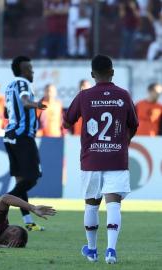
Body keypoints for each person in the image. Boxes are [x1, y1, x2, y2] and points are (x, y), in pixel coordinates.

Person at [63, 55, 139, 264]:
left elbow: (67, 122)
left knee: (91, 205)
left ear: (92, 75)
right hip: (116, 157)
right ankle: (111, 251)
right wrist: (123, 143)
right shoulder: (123, 95)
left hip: (91, 159)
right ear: (112, 72)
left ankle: (92, 250)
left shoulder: (84, 96)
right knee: (113, 204)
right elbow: (134, 124)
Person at [3, 56, 47, 232]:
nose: (32, 71)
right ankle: (0, 203)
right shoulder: (22, 83)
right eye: (29, 68)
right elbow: (25, 102)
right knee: (32, 177)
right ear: (22, 70)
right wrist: (35, 104)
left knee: (21, 180)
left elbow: (6, 113)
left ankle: (28, 221)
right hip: (22, 136)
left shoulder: (8, 87)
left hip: (10, 135)